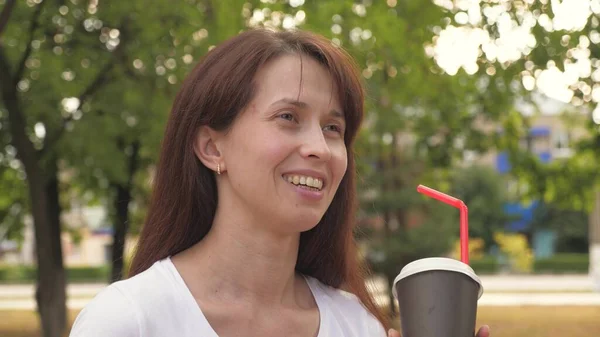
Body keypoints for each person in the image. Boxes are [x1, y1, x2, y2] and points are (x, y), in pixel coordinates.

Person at [69, 28, 491, 337]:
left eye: (332, 128)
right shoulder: (127, 322)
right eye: (288, 117)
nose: (320, 148)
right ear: (212, 148)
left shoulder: (358, 326)